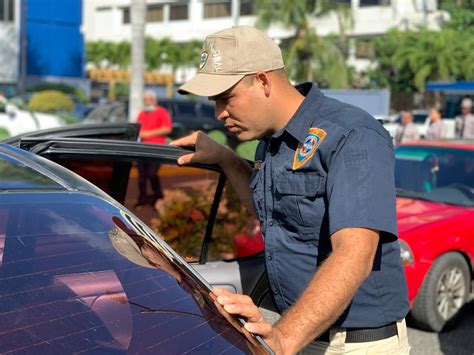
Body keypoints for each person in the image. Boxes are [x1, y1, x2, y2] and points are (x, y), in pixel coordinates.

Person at [172, 26, 410, 354]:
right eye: (214, 101)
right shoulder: (269, 143)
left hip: (353, 344)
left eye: (226, 98)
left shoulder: (352, 134)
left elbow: (355, 253)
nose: (219, 114)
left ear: (263, 80)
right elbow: (273, 215)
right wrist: (226, 160)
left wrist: (284, 337)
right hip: (300, 335)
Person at [135, 90, 172, 208]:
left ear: (154, 101)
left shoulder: (162, 112)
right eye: (145, 100)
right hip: (142, 148)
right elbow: (138, 129)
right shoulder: (142, 113)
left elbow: (167, 128)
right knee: (141, 177)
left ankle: (158, 195)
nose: (147, 102)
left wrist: (148, 134)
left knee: (152, 174)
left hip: (156, 148)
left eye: (149, 100)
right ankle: (142, 199)